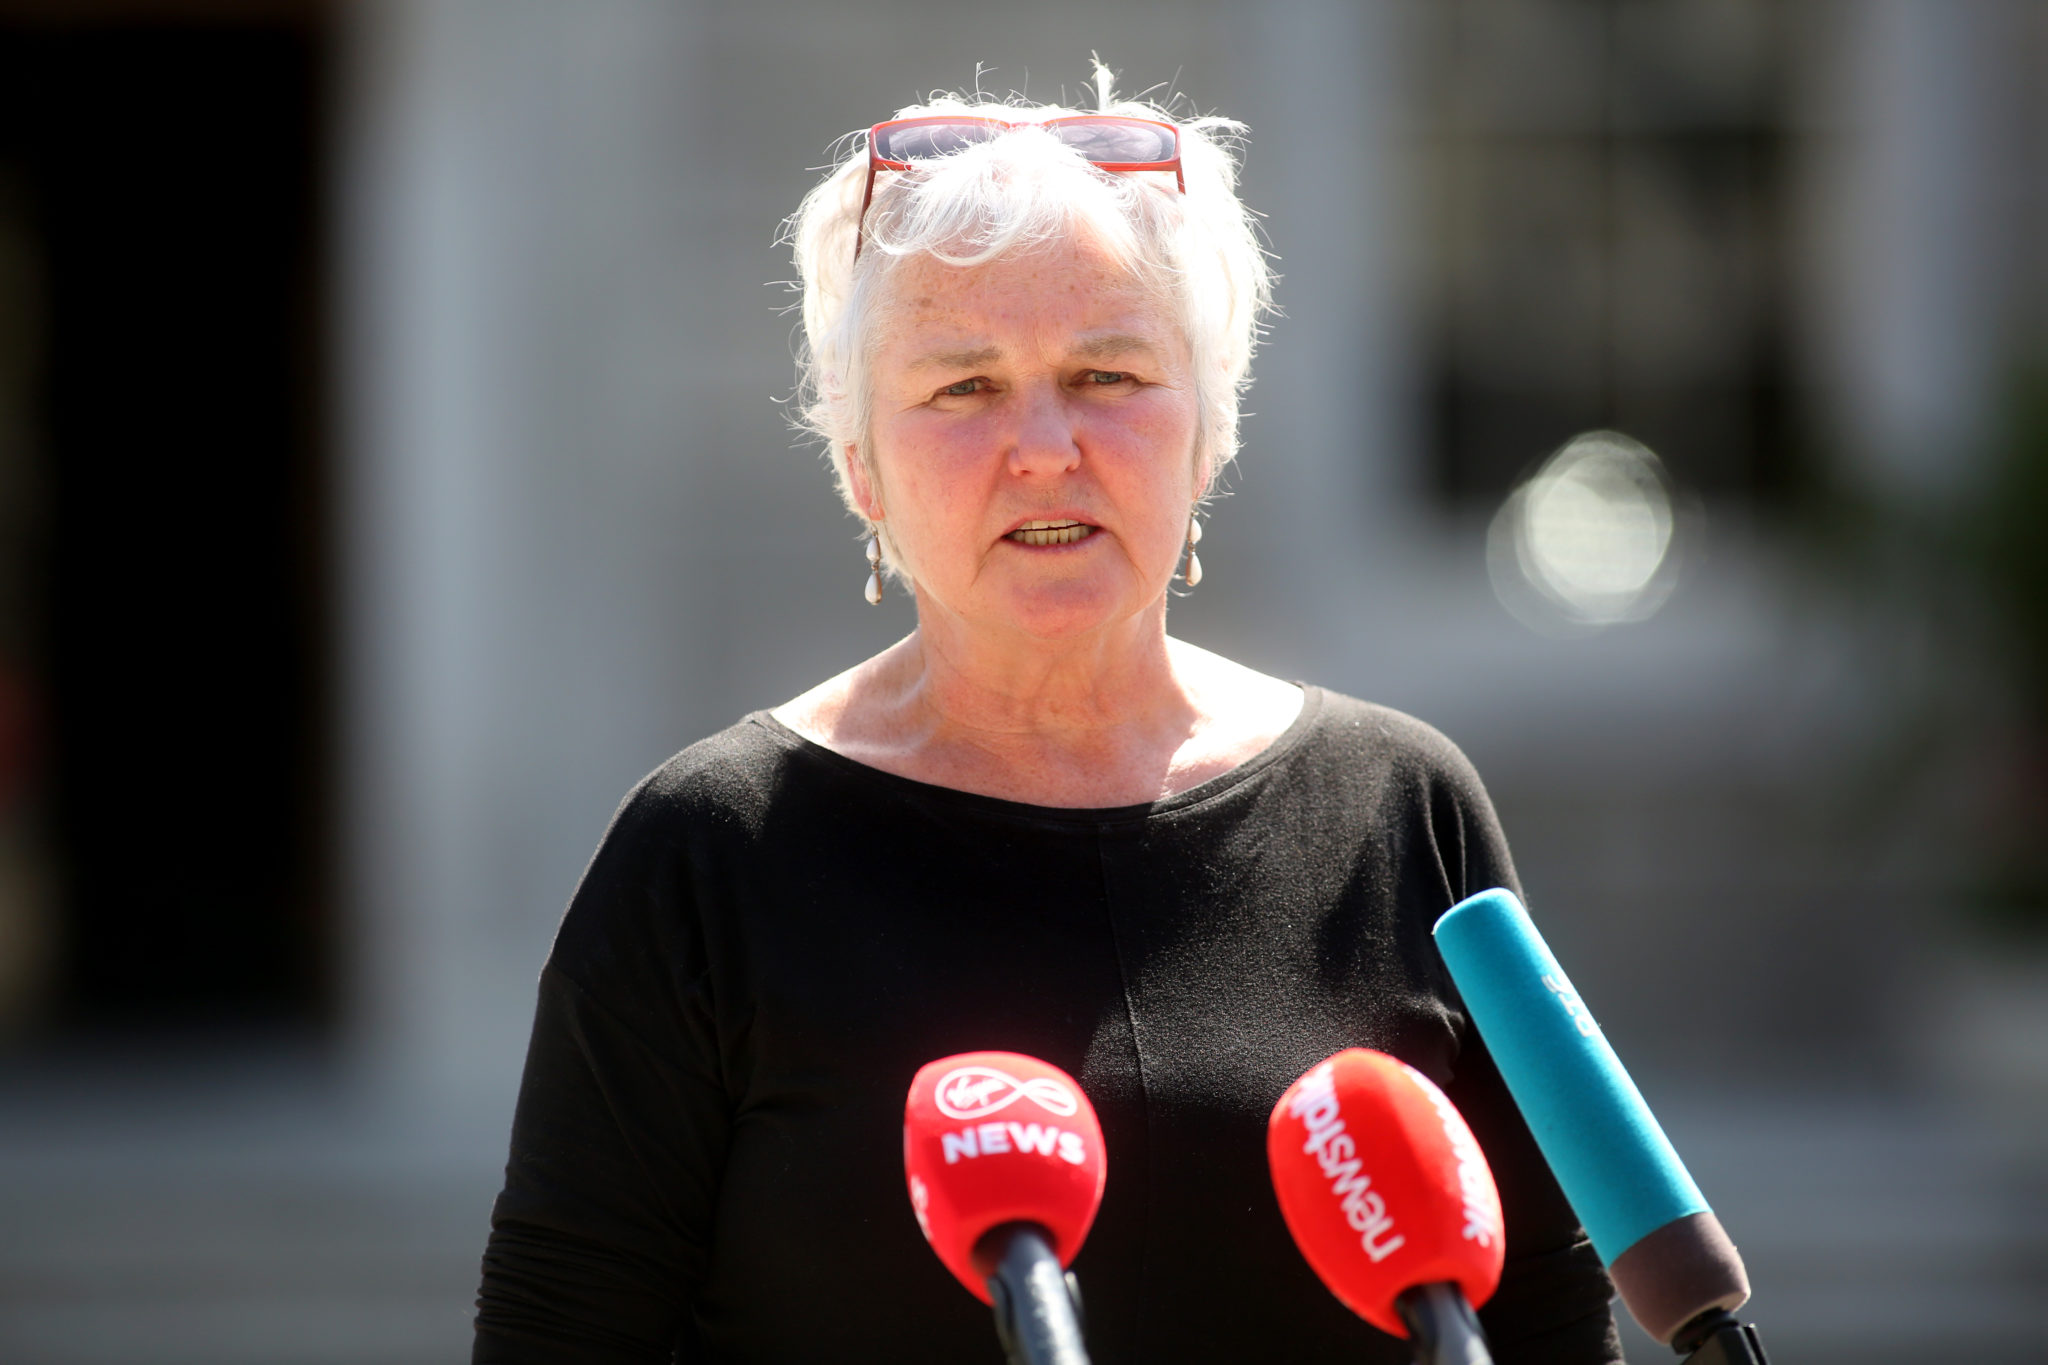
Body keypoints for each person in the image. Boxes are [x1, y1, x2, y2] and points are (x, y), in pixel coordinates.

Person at [474, 69, 1622, 1365]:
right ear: (860, 462)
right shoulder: (704, 853)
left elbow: (1547, 1323)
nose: (1043, 443)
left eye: (1109, 372)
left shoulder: (1402, 809)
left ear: (1210, 431)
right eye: (961, 387)